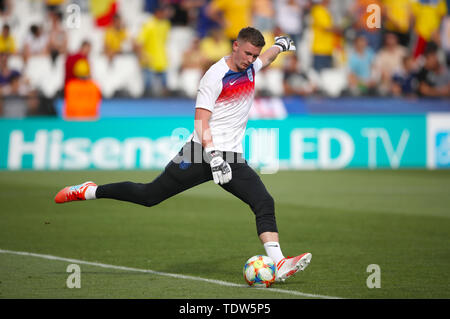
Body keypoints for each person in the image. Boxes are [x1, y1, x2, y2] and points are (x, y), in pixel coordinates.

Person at [54, 27, 312, 282]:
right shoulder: (215, 76)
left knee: (264, 202)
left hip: (231, 156)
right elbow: (201, 122)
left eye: (254, 56)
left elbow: (267, 57)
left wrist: (280, 45)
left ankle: (278, 262)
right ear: (235, 45)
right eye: (246, 54)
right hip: (199, 151)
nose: (250, 60)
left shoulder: (252, 67)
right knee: (149, 196)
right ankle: (90, 190)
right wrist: (214, 157)